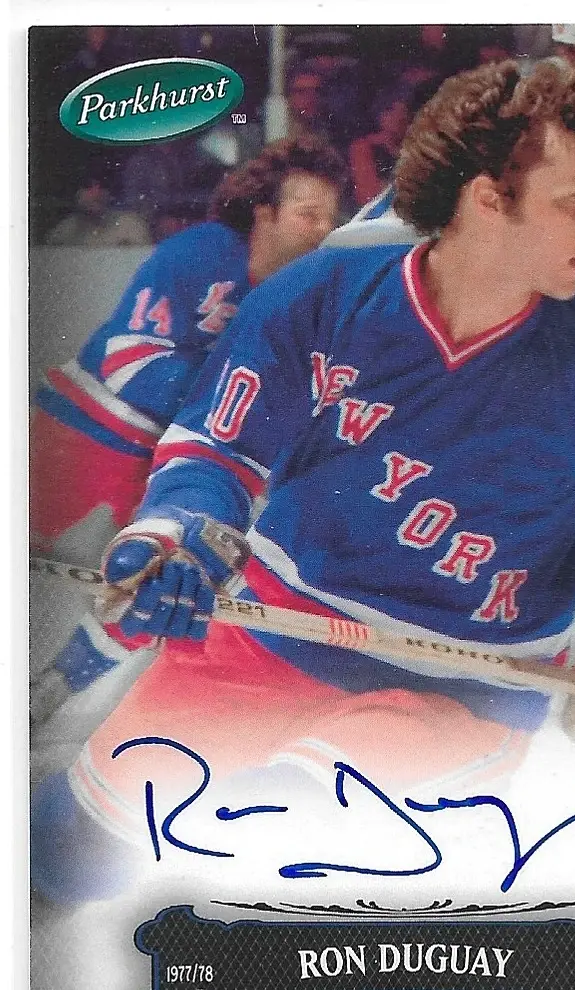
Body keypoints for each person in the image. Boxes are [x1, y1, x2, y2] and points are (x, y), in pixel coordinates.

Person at [30, 60, 575, 904]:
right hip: (273, 632)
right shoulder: (317, 297)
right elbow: (218, 447)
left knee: (286, 821)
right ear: (486, 200)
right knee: (67, 849)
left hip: (466, 685)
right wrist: (175, 537)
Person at [31, 137, 345, 721]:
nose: (324, 230)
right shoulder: (202, 252)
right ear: (265, 211)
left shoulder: (302, 301)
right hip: (90, 428)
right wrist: (222, 403)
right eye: (308, 213)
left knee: (169, 577)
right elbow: (128, 356)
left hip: (177, 464)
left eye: (331, 217)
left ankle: (51, 689)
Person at [326, 24, 575, 384]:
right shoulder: (534, 111)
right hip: (371, 323)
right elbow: (441, 235)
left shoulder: (561, 113)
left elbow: (517, 239)